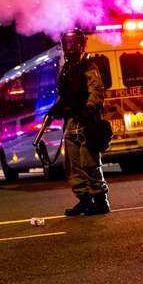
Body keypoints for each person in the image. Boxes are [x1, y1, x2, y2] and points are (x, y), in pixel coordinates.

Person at [52, 29, 110, 216]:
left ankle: (100, 200)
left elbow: (96, 90)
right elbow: (64, 95)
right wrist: (56, 109)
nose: (70, 48)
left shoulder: (88, 65)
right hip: (71, 122)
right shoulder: (66, 68)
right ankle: (85, 200)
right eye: (67, 44)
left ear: (81, 45)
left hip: (87, 122)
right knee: (73, 165)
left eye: (73, 44)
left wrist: (89, 108)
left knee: (89, 163)